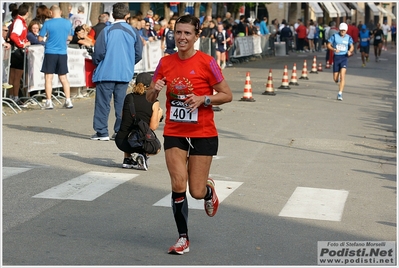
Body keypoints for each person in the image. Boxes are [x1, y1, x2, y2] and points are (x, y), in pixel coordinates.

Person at [146, 14, 233, 255]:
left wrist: (204, 98)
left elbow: (227, 94)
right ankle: (182, 238)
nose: (182, 37)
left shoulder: (207, 62)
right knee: (177, 183)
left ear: (197, 36)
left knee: (195, 190)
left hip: (203, 132)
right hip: (175, 131)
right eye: (178, 32)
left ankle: (207, 191)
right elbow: (149, 98)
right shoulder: (165, 63)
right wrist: (154, 89)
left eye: (187, 33)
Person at [91, 3, 143, 141]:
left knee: (103, 103)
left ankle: (102, 132)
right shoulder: (133, 31)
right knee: (121, 105)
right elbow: (139, 53)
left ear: (113, 15)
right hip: (124, 73)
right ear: (127, 15)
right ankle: (120, 131)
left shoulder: (106, 31)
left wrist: (97, 62)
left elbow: (99, 52)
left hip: (106, 72)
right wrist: (128, 63)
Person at [115, 72, 163, 170]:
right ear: (151, 85)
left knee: (129, 128)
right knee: (157, 148)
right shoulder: (154, 101)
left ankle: (127, 159)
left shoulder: (129, 97)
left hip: (121, 141)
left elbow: (123, 117)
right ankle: (143, 154)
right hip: (140, 143)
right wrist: (159, 115)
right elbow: (153, 127)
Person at [38, 5, 74, 110]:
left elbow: (40, 38)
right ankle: (68, 100)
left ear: (51, 12)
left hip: (50, 51)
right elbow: (70, 37)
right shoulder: (67, 22)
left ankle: (49, 101)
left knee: (48, 78)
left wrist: (48, 37)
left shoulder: (48, 23)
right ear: (61, 12)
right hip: (62, 52)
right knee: (63, 77)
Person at [8, 4, 30, 103]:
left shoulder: (18, 20)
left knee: (13, 76)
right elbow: (14, 36)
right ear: (27, 13)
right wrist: (22, 44)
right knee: (16, 76)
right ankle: (15, 97)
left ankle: (12, 96)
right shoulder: (19, 21)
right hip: (18, 51)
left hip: (15, 50)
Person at [327, 22, 354, 101]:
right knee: (335, 79)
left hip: (344, 58)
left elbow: (351, 46)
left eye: (344, 30)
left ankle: (340, 93)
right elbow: (328, 45)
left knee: (342, 76)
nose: (343, 32)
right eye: (341, 30)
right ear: (339, 30)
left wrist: (349, 51)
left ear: (346, 31)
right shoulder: (334, 36)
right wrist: (334, 49)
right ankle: (338, 80)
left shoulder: (348, 37)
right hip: (336, 57)